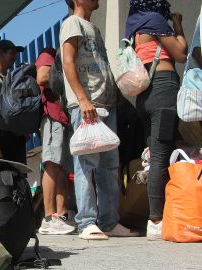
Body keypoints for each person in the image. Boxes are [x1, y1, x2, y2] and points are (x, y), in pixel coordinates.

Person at [61, 0, 138, 240]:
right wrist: (83, 99)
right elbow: (67, 61)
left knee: (109, 166)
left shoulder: (94, 28)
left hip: (105, 105)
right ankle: (86, 222)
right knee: (87, 163)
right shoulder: (72, 23)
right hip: (87, 105)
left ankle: (109, 221)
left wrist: (116, 96)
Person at [126, 0, 187, 240]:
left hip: (144, 95)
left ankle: (158, 214)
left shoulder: (135, 25)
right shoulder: (156, 20)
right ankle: (156, 219)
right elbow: (181, 53)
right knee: (162, 155)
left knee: (156, 154)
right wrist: (178, 25)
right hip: (162, 89)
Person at [35, 48, 75, 235]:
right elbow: (42, 76)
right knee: (51, 165)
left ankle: (61, 215)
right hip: (52, 117)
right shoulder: (48, 54)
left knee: (61, 168)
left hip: (62, 118)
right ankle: (49, 218)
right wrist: (66, 68)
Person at [0, 40, 26, 163]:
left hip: (17, 133)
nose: (14, 58)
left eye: (15, 54)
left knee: (20, 173)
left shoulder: (14, 78)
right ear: (1, 54)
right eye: (12, 53)